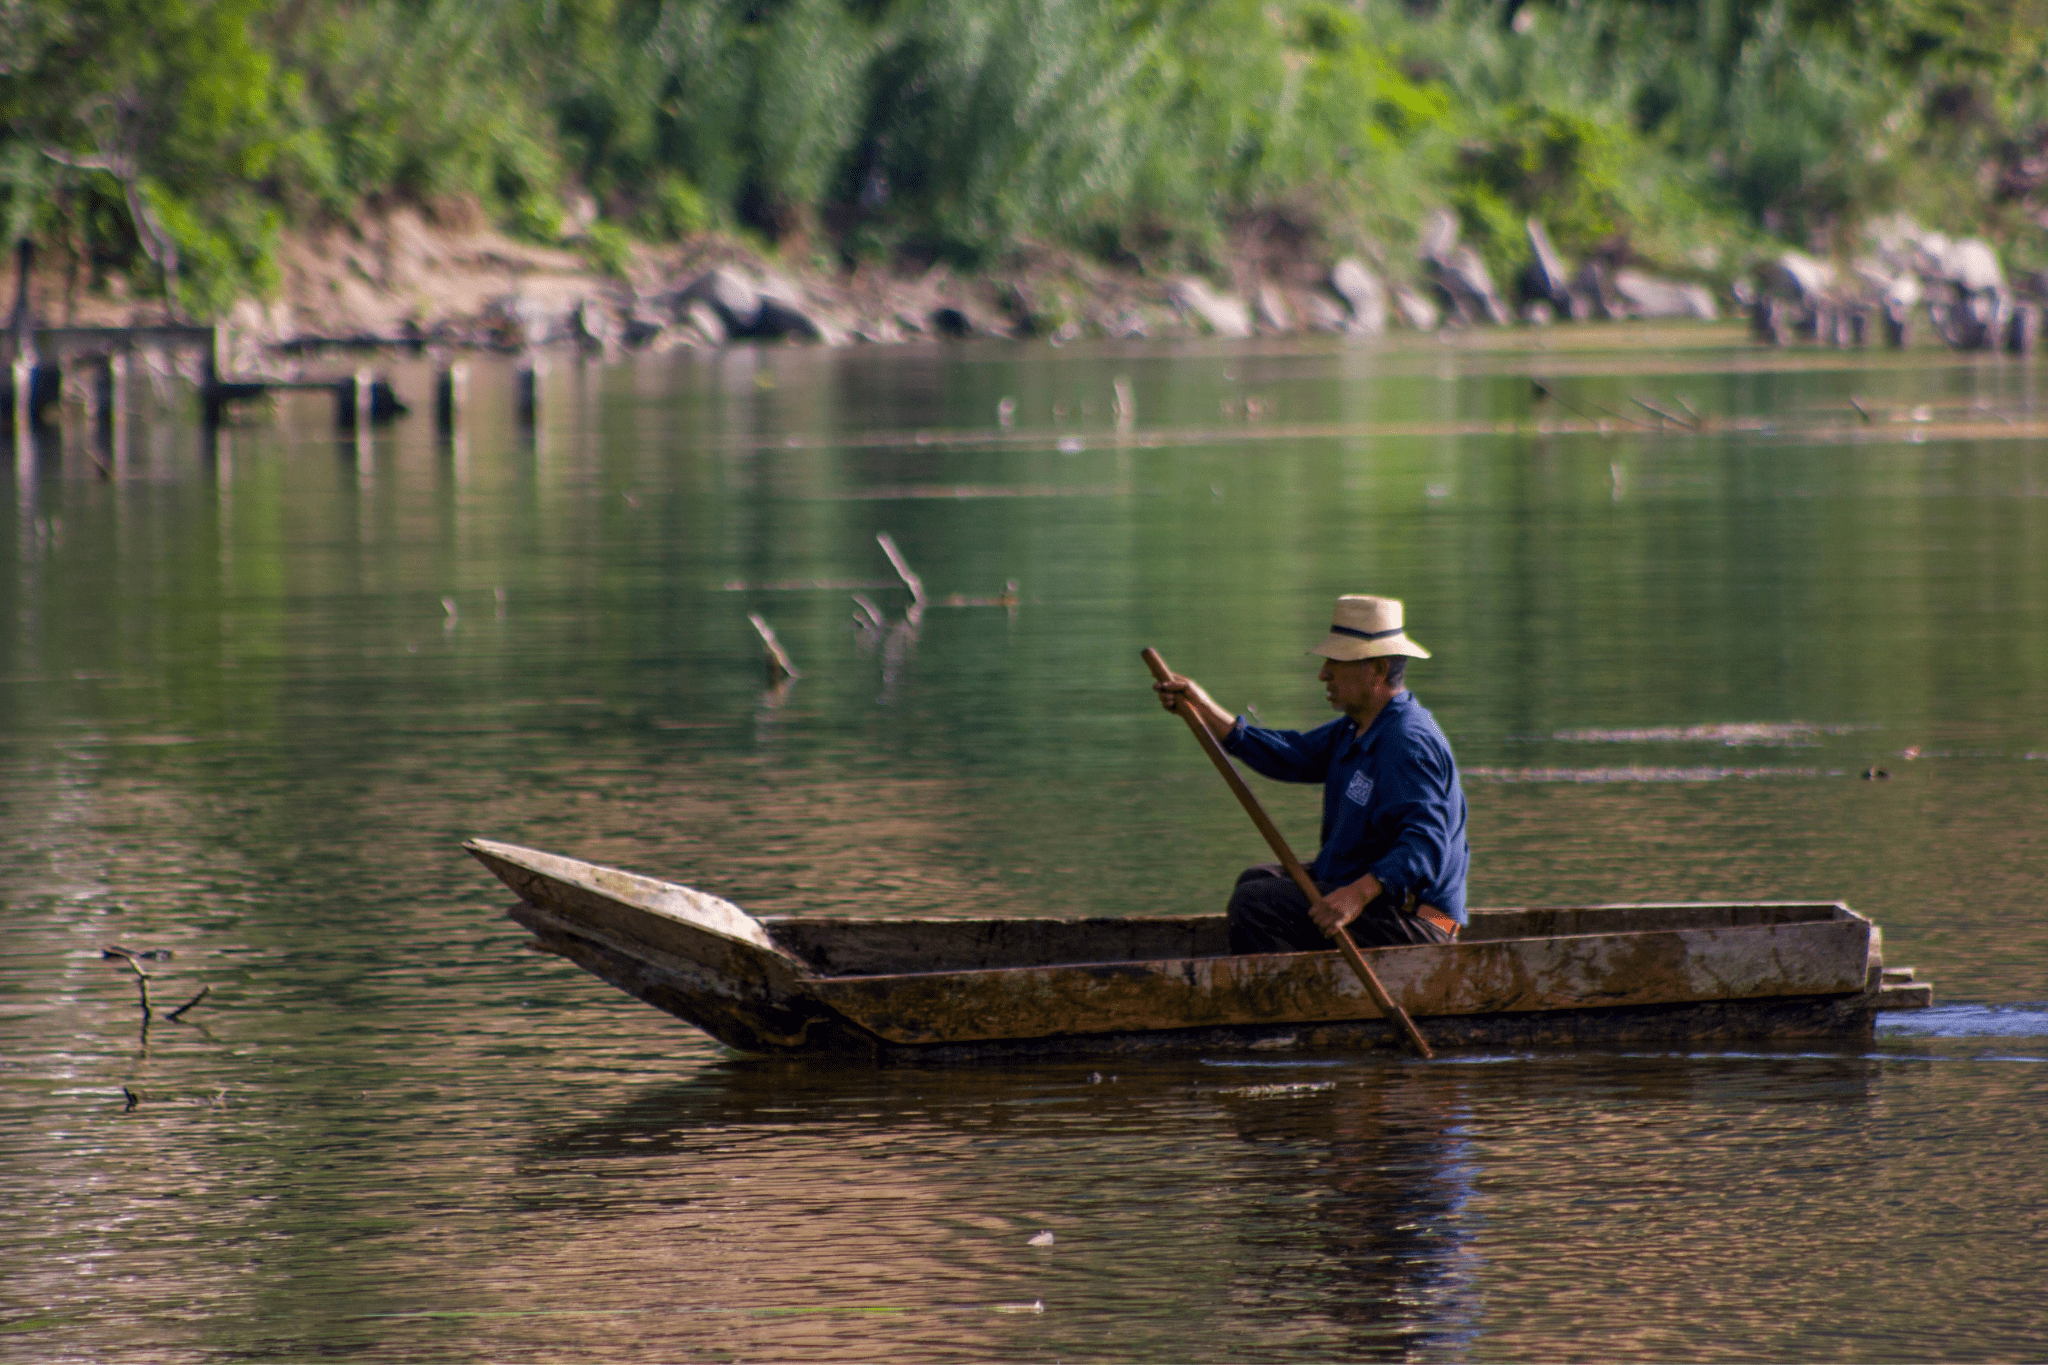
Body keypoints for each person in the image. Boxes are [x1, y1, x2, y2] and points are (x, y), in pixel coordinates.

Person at [1153, 594, 1469, 954]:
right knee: (1256, 881)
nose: (1323, 674)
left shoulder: (1407, 742)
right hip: (1380, 907)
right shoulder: (1356, 728)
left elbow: (1427, 844)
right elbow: (1294, 756)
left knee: (1257, 903)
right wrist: (1202, 710)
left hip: (1426, 920)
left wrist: (1356, 894)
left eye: (1337, 662)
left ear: (1378, 670)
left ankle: (1285, 1004)